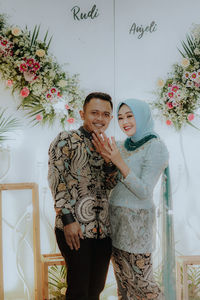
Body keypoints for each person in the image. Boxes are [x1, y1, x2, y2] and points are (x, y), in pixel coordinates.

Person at [92, 98, 169, 300]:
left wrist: (118, 161)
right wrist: (110, 162)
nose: (124, 122)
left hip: (137, 228)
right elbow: (110, 181)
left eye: (129, 116)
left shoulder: (156, 147)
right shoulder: (121, 145)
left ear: (142, 116)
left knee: (144, 287)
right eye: (120, 118)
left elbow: (144, 191)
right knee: (124, 287)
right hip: (115, 224)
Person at [47, 92, 118, 300]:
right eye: (94, 113)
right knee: (78, 290)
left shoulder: (108, 146)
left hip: (103, 230)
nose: (100, 118)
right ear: (82, 113)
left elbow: (111, 185)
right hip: (75, 228)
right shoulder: (66, 139)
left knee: (96, 289)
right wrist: (68, 219)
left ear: (110, 118)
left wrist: (108, 161)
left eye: (105, 114)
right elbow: (56, 180)